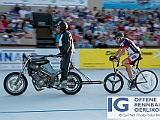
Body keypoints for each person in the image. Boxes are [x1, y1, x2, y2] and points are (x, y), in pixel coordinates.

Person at [55, 20, 75, 89]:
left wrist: (63, 53)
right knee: (62, 66)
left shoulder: (66, 34)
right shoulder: (63, 34)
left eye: (58, 27)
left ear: (62, 28)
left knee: (65, 66)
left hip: (67, 53)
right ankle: (61, 80)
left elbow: (67, 45)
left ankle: (64, 81)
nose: (57, 28)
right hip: (65, 53)